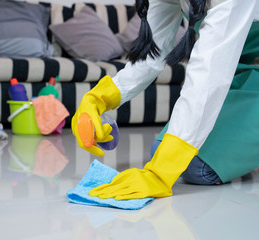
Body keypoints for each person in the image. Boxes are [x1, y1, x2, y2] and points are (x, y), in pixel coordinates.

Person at [71, 0, 259, 200]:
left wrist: (159, 174)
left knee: (197, 167)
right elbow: (151, 57)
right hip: (239, 75)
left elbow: (208, 76)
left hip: (230, 75)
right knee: (163, 153)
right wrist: (99, 98)